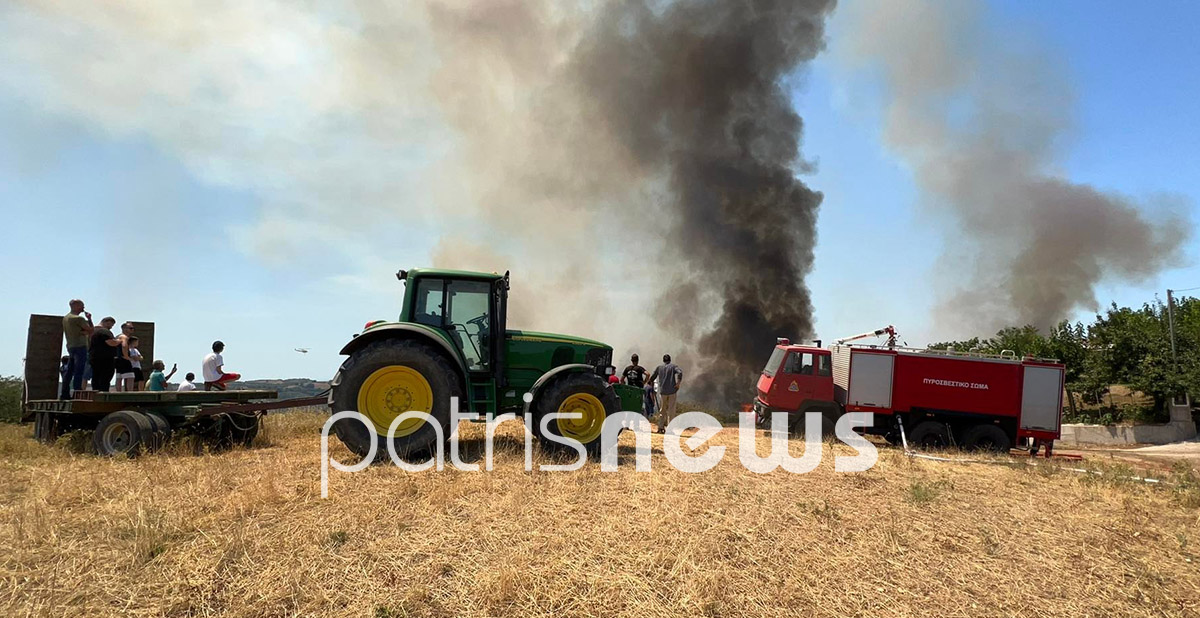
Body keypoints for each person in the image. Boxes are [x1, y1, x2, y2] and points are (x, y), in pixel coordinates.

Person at [61, 299, 94, 399]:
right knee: (79, 370)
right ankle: (77, 392)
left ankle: (65, 393)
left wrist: (84, 331)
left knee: (70, 370)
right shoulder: (78, 318)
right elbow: (91, 330)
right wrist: (89, 319)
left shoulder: (66, 318)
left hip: (71, 345)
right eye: (81, 306)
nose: (83, 308)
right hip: (80, 346)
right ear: (75, 306)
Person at [647, 354, 683, 434]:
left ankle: (660, 428)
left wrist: (649, 382)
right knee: (671, 410)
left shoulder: (659, 367)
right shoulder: (673, 367)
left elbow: (653, 376)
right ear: (670, 360)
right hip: (672, 391)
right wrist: (678, 383)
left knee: (662, 410)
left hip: (663, 392)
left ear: (663, 360)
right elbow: (680, 372)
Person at [87, 317, 122, 392]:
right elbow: (111, 342)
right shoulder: (104, 331)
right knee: (105, 376)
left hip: (94, 357)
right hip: (105, 358)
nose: (111, 327)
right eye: (111, 325)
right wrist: (119, 341)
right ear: (107, 322)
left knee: (96, 376)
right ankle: (103, 393)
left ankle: (95, 392)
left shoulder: (93, 331)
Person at [114, 322, 136, 391]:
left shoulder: (117, 336)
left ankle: (118, 393)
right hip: (123, 359)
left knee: (119, 377)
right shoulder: (124, 337)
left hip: (118, 359)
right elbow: (124, 346)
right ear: (124, 329)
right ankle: (130, 394)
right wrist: (126, 356)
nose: (132, 330)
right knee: (130, 377)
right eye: (130, 328)